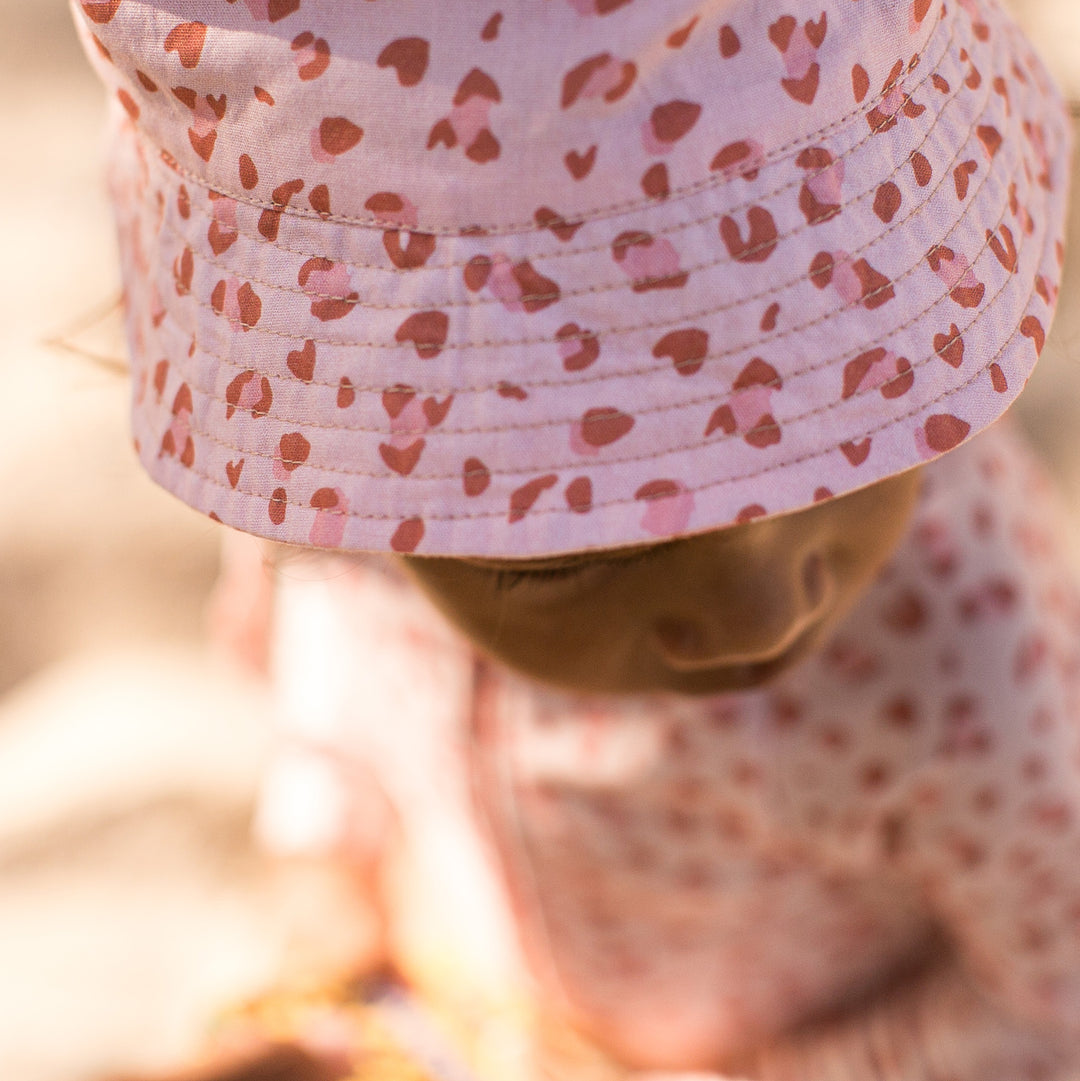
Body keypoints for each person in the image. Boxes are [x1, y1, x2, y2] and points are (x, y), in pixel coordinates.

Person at [74, 0, 1077, 1077]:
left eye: (856, 442)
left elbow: (1051, 992)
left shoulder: (980, 648)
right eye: (569, 553)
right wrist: (322, 861)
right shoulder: (351, 454)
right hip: (452, 984)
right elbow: (333, 655)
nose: (762, 611)